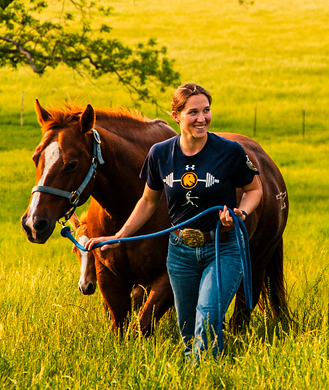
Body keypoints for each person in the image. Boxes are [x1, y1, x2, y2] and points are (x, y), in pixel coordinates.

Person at [89, 83, 262, 357]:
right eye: (193, 112)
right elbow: (147, 201)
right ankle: (196, 381)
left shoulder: (229, 152)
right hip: (180, 252)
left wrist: (240, 213)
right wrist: (118, 236)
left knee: (207, 319)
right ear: (176, 115)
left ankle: (205, 380)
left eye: (206, 110)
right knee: (188, 328)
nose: (202, 118)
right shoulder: (160, 154)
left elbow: (255, 190)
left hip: (222, 247)